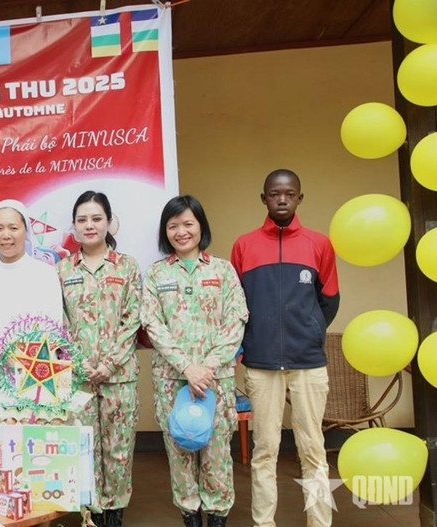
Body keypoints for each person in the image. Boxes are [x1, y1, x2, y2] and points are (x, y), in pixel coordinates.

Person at [231, 169, 339, 527]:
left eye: (289, 194)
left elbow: (330, 300)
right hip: (261, 365)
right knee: (265, 452)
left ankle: (320, 522)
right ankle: (264, 523)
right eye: (274, 194)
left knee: (313, 451)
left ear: (299, 199)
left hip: (307, 363)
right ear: (263, 198)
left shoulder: (318, 244)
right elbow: (237, 304)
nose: (281, 200)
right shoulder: (244, 246)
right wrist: (249, 345)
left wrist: (308, 334)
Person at [141, 196, 248, 527]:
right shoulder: (157, 274)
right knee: (181, 455)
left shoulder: (222, 270)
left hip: (215, 383)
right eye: (173, 226)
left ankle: (217, 518)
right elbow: (152, 324)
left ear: (201, 226)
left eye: (188, 223)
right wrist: (188, 368)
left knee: (216, 458)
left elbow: (237, 319)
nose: (181, 231)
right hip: (173, 382)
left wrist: (207, 368)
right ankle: (190, 517)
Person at [56, 191, 141, 527]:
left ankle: (116, 514)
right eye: (82, 220)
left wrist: (109, 363)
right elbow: (58, 322)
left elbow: (133, 318)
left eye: (96, 218)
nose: (89, 225)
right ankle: (91, 514)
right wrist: (80, 363)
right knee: (84, 448)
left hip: (119, 377)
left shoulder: (128, 266)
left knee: (119, 451)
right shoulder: (62, 269)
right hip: (78, 378)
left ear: (109, 222)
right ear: (74, 227)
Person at [0, 199, 63, 333]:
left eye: (13, 228)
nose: (6, 235)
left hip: (33, 353)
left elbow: (53, 325)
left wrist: (22, 351)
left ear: (26, 231)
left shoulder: (46, 274)